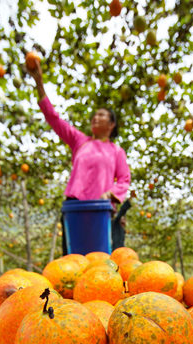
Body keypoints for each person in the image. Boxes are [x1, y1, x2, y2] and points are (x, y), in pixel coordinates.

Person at [27, 61, 131, 256]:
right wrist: (39, 83)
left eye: (101, 115)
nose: (95, 118)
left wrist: (111, 195)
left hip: (101, 210)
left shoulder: (116, 151)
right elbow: (54, 118)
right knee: (74, 260)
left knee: (102, 261)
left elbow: (124, 179)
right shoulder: (80, 141)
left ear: (112, 124)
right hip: (75, 207)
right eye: (94, 115)